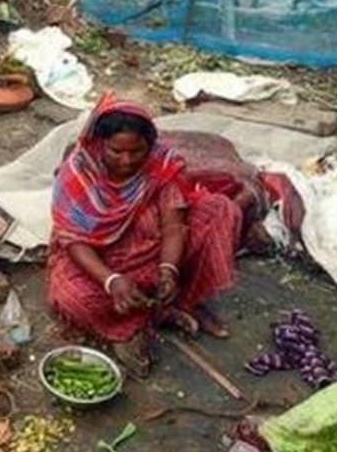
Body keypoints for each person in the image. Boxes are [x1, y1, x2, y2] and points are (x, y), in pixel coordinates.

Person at [47, 95, 242, 377]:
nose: (126, 161)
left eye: (136, 151)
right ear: (100, 143)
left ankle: (176, 299)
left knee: (220, 210)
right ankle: (140, 320)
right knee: (72, 298)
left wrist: (169, 268)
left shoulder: (160, 165)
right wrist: (111, 280)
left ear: (149, 146)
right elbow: (73, 240)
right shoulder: (79, 173)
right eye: (116, 151)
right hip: (97, 259)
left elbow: (174, 226)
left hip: (151, 251)